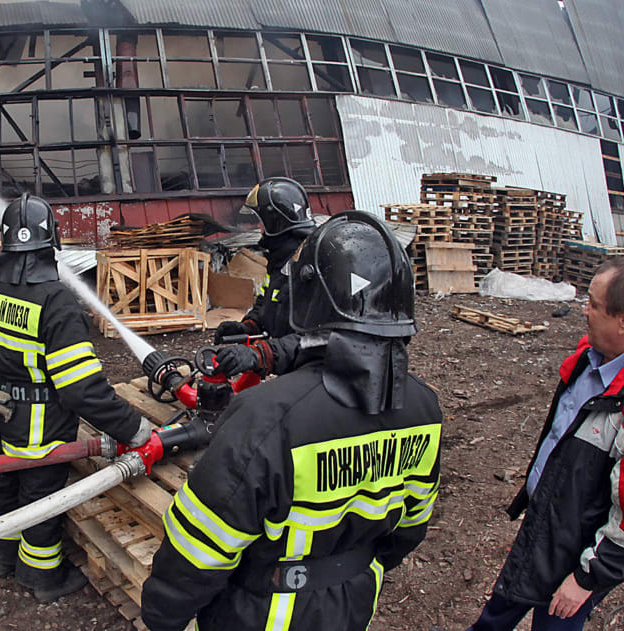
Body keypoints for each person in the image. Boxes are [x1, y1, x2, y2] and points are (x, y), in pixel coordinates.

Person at [141, 210, 443, 631]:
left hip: (263, 613)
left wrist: (162, 616)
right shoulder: (425, 410)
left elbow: (198, 551)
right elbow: (409, 528)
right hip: (354, 603)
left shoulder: (266, 418)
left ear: (309, 298)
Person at [464, 256, 624, 631]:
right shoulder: (592, 358)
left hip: (579, 554)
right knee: (502, 607)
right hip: (548, 525)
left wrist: (586, 579)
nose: (584, 310)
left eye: (594, 305)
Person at [0, 193, 155, 602]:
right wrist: (134, 428)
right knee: (41, 495)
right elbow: (81, 388)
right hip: (40, 423)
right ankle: (41, 577)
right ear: (51, 239)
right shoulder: (56, 302)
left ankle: (2, 555)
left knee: (4, 479)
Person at [210, 177, 316, 379]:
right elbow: (267, 301)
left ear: (277, 222)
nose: (258, 226)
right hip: (288, 366)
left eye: (262, 221)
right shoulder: (280, 259)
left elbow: (321, 339)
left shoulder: (311, 264)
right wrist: (249, 326)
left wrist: (263, 354)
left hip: (312, 373)